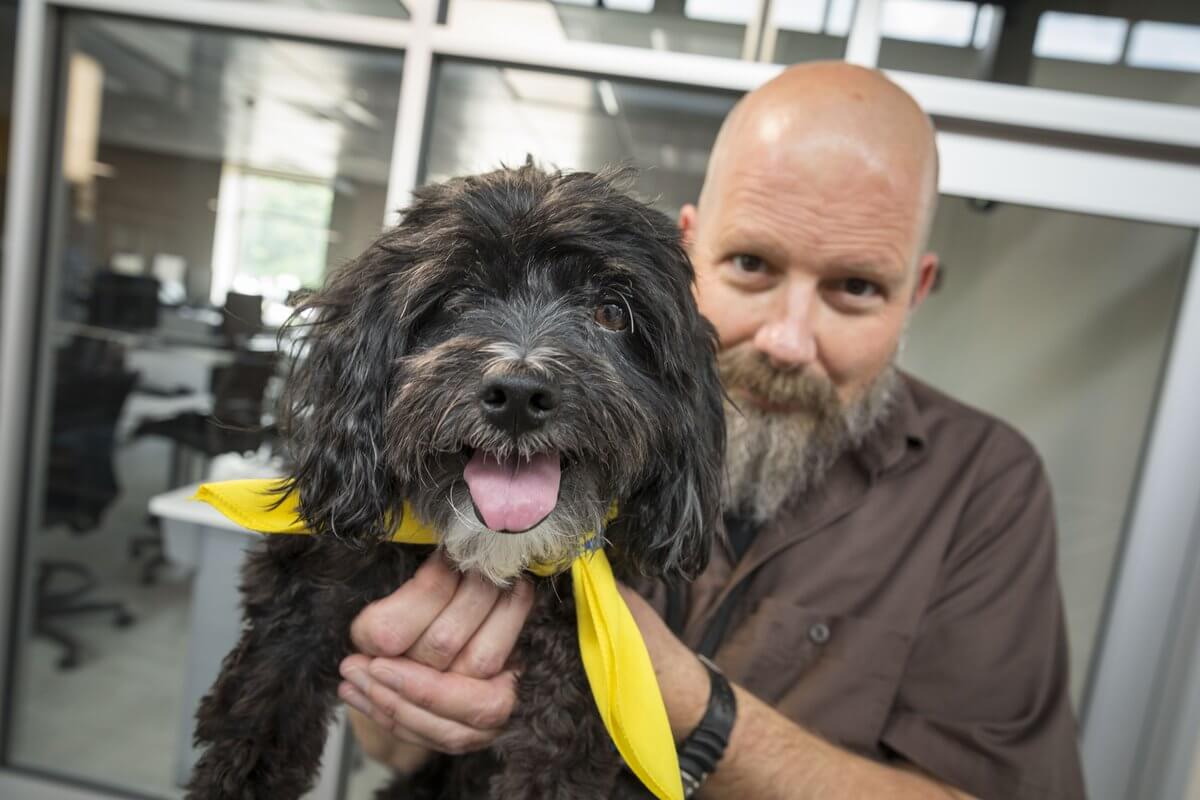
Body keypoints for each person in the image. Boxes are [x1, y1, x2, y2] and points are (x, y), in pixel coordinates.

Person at [337, 61, 1087, 799]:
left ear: (915, 290)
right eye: (753, 266)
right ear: (688, 249)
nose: (788, 341)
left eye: (855, 288)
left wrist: (691, 706)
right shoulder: (509, 439)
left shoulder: (985, 485)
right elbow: (389, 743)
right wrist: (413, 703)